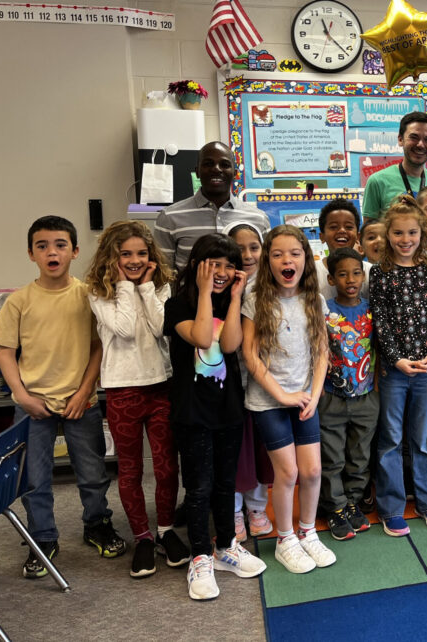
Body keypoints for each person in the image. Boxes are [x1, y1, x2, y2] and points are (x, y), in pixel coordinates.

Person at [0, 215, 126, 579]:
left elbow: (98, 347)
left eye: (60, 245)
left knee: (93, 473)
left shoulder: (87, 296)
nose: (52, 252)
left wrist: (85, 391)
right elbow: (5, 353)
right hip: (33, 404)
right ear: (31, 253)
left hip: (82, 402)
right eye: (43, 246)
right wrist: (22, 396)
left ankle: (97, 524)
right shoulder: (20, 301)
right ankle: (42, 537)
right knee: (34, 479)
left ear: (75, 251)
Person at [164, 233, 265, 600]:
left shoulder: (231, 302)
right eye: (214, 265)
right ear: (196, 266)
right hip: (192, 412)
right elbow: (203, 338)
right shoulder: (177, 305)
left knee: (225, 483)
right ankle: (200, 556)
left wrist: (235, 297)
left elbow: (230, 344)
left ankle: (225, 547)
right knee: (199, 486)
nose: (222, 272)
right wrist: (205, 291)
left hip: (228, 408)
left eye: (228, 265)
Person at [85, 221, 187, 577]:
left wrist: (145, 287)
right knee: (130, 469)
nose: (134, 260)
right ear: (111, 256)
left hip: (161, 386)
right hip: (122, 389)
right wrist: (127, 286)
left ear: (151, 255)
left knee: (166, 466)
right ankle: (142, 536)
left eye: (142, 253)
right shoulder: (98, 291)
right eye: (125, 254)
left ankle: (165, 530)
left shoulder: (160, 285)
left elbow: (161, 328)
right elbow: (125, 329)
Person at [241, 226, 335, 573]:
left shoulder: (314, 299)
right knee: (289, 471)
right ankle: (285, 539)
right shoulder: (256, 300)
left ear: (305, 259)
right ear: (268, 260)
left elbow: (322, 351)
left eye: (294, 253)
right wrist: (282, 394)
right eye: (278, 254)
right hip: (269, 402)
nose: (287, 260)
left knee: (312, 470)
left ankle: (307, 532)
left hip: (305, 399)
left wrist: (315, 392)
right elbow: (250, 355)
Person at [369, 195, 427, 536]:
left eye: (412, 232)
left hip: (426, 370)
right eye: (398, 233)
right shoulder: (380, 273)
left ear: (422, 234)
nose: (405, 239)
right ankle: (391, 507)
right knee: (390, 438)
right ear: (388, 234)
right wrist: (396, 359)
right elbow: (380, 321)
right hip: (395, 371)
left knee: (421, 439)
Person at [319, 248, 377, 540]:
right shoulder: (324, 310)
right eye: (342, 274)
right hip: (331, 397)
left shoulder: (372, 309)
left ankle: (352, 501)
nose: (350, 280)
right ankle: (335, 506)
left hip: (366, 397)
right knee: (332, 457)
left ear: (363, 276)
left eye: (356, 273)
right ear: (331, 279)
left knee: (359, 456)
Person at [223, 222, 273, 543]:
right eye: (239, 249)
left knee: (260, 452)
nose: (247, 255)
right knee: (234, 452)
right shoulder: (221, 288)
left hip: (263, 386)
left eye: (254, 247)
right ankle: (234, 511)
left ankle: (257, 508)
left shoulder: (270, 287)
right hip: (229, 385)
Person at [154, 141, 270, 273]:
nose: (216, 169)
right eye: (208, 164)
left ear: (235, 173)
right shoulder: (169, 217)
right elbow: (164, 274)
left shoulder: (259, 219)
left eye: (224, 165)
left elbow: (266, 270)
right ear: (197, 172)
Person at [362, 112, 427, 220]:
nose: (420, 144)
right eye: (414, 137)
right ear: (400, 139)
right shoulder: (377, 182)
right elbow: (369, 229)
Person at [315, 198, 371, 300]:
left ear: (358, 236)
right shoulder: (312, 272)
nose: (342, 230)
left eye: (349, 227)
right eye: (333, 227)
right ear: (322, 236)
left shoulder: (369, 271)